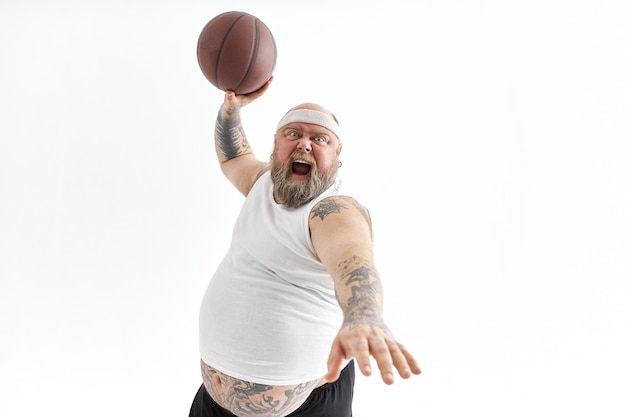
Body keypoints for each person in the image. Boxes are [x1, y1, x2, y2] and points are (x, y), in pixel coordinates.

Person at [189, 78, 421, 417]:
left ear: (337, 157)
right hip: (213, 402)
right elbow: (234, 156)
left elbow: (353, 260)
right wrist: (230, 112)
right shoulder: (261, 184)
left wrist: (364, 315)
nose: (304, 144)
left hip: (306, 408)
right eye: (293, 133)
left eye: (320, 138)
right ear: (276, 147)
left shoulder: (333, 211)